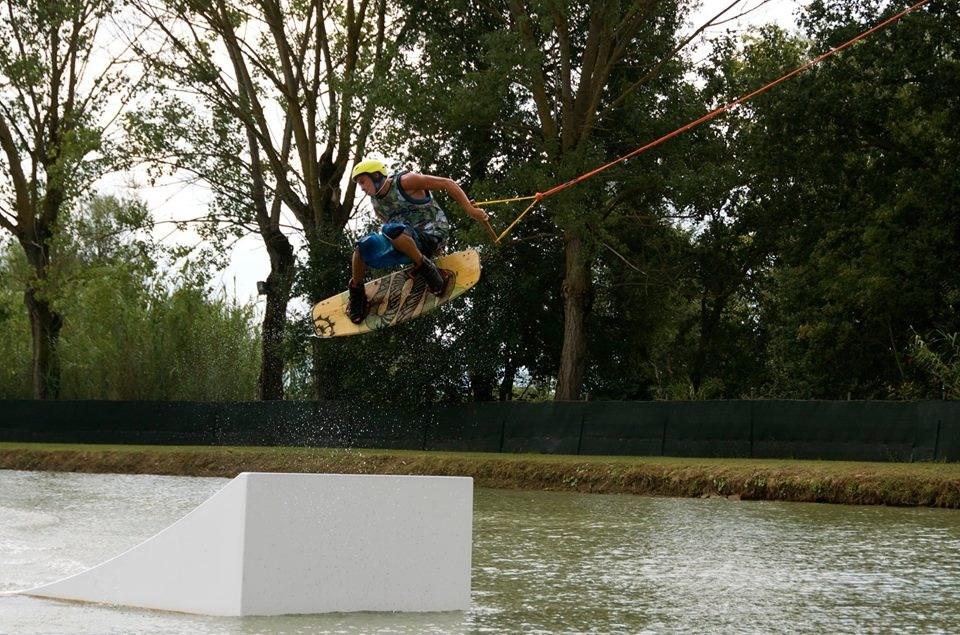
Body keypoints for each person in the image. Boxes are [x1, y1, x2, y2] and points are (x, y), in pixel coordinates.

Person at [347, 158, 491, 324]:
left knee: (391, 230)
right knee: (362, 247)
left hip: (431, 234)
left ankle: (426, 268)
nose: (362, 188)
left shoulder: (405, 181)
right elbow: (391, 231)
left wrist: (470, 209)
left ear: (377, 176)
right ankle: (357, 293)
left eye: (363, 182)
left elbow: (447, 183)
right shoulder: (376, 203)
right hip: (406, 243)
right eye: (359, 185)